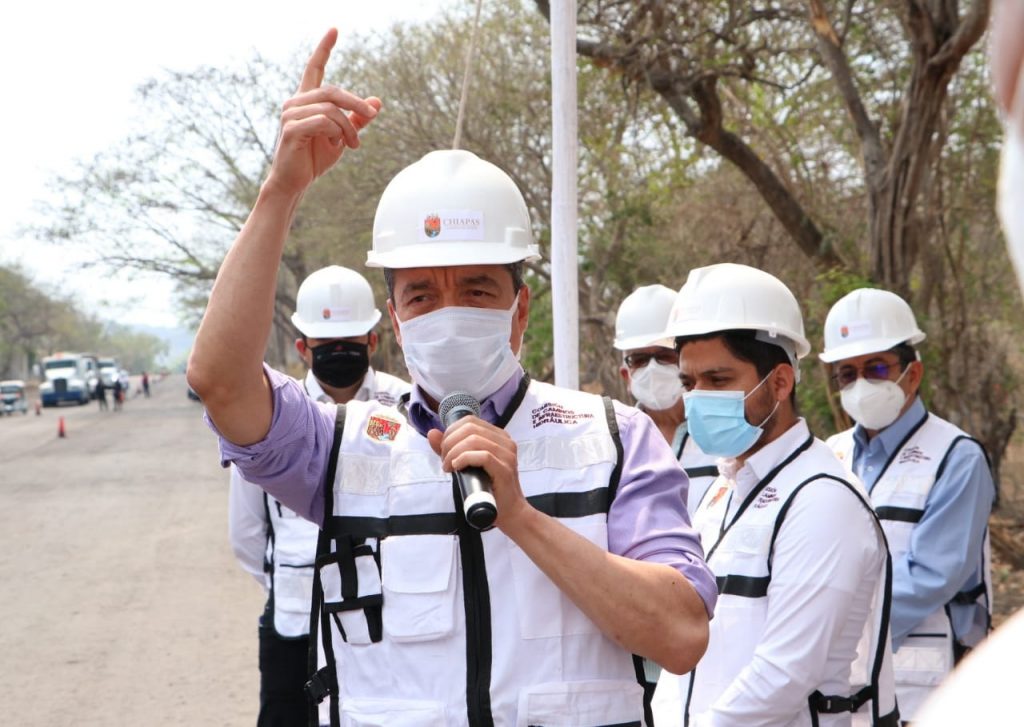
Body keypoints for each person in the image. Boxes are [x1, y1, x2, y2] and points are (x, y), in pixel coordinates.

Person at [187, 29, 715, 727]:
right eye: (422, 297)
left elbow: (680, 635)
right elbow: (220, 381)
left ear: (520, 310)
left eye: (476, 289)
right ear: (396, 323)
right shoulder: (341, 445)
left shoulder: (615, 438)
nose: (449, 313)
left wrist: (522, 518)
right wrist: (281, 190)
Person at [653, 263, 897, 726]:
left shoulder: (822, 499)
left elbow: (784, 676)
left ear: (780, 383)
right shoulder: (723, 490)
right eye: (689, 383)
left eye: (719, 380)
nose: (698, 398)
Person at [228, 265, 410, 727]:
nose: (339, 354)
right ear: (302, 348)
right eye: (327, 347)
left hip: (389, 614)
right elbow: (247, 532)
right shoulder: (271, 417)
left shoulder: (406, 405)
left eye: (350, 343)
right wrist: (288, 585)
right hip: (294, 620)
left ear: (373, 340)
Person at [819, 288, 995, 721]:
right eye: (847, 373)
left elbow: (933, 576)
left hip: (924, 680)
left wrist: (828, 625)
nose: (862, 384)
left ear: (912, 374)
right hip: (841, 682)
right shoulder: (828, 454)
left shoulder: (956, 456)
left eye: (877, 368)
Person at [613, 284, 718, 514]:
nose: (653, 369)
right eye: (639, 359)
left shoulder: (724, 434)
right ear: (626, 375)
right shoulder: (614, 445)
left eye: (664, 356)